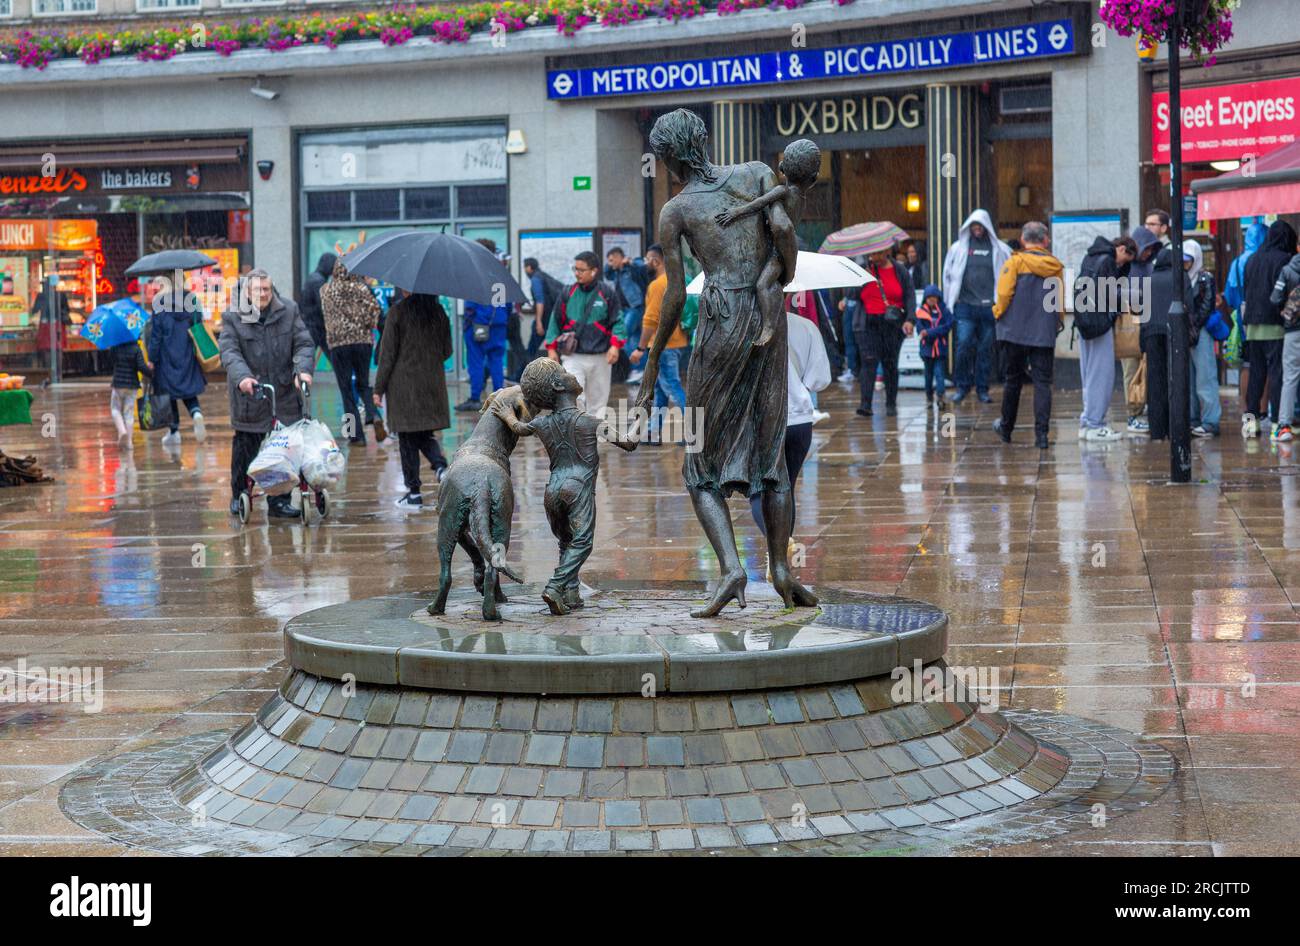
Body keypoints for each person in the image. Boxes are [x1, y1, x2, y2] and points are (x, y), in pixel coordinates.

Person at [635, 107, 815, 616]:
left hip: (717, 320)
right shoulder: (757, 172)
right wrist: (782, 272)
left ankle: (732, 569)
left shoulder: (676, 210)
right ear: (706, 140)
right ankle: (780, 570)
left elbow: (672, 297)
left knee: (698, 460)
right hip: (766, 317)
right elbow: (781, 225)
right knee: (772, 452)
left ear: (670, 157)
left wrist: (650, 369)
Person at [495, 358, 637, 614]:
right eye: (564, 372)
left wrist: (505, 414)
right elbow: (629, 443)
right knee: (582, 543)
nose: (570, 374)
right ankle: (555, 586)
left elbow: (518, 427)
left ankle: (571, 594)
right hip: (578, 488)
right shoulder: (589, 421)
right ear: (559, 386)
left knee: (566, 543)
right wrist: (641, 414)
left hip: (553, 491)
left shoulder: (542, 423)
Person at [218, 270, 315, 518]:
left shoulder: (289, 311)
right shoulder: (233, 316)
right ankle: (239, 493)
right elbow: (229, 351)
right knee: (245, 449)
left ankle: (279, 501)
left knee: (283, 449)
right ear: (246, 292)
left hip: (283, 393)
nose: (262, 294)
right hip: (251, 395)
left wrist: (302, 370)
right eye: (257, 290)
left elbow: (303, 343)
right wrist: (243, 378)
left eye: (266, 289)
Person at [712, 138, 821, 347]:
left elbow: (759, 204)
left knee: (763, 284)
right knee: (769, 284)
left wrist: (737, 212)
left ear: (781, 168)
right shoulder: (800, 196)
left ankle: (768, 326)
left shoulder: (784, 191)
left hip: (778, 252)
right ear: (814, 179)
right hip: (782, 250)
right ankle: (769, 324)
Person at [749, 309, 830, 536]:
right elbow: (819, 380)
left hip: (759, 421)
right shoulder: (806, 327)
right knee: (786, 490)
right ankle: (782, 553)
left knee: (758, 490)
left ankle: (779, 548)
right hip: (799, 420)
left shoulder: (740, 327)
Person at [374, 292, 454, 510]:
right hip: (432, 383)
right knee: (424, 432)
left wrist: (378, 389)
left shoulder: (397, 312)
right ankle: (440, 467)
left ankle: (414, 493)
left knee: (407, 437)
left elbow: (387, 354)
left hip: (403, 385)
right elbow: (448, 351)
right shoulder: (438, 312)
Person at [992, 221, 1064, 449]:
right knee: (1043, 383)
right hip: (1043, 333)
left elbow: (1003, 294)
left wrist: (997, 313)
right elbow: (1057, 302)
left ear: (1023, 240)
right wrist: (1056, 323)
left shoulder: (1014, 262)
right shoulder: (1055, 266)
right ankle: (1041, 436)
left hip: (1014, 332)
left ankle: (1006, 428)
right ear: (1045, 241)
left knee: (1013, 381)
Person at [942, 210, 1012, 404]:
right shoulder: (957, 248)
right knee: (963, 345)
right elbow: (947, 274)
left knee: (985, 350)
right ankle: (962, 386)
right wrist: (949, 301)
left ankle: (982, 388)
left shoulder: (1001, 249)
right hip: (965, 305)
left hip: (989, 306)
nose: (977, 229)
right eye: (974, 226)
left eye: (980, 226)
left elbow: (1009, 275)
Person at [543, 250, 623, 420]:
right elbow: (555, 321)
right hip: (573, 357)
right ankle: (577, 432)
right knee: (573, 397)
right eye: (575, 269)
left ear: (594, 271)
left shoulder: (607, 293)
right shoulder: (567, 293)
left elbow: (618, 321)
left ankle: (593, 437)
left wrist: (615, 346)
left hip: (601, 357)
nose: (576, 273)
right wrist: (551, 348)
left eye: (581, 270)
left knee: (598, 403)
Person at [1241, 220, 1299, 437]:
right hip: (1276, 324)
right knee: (1278, 374)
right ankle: (1277, 422)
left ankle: (1250, 424)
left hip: (1253, 325)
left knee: (1256, 374)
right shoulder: (1285, 260)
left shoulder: (1252, 260)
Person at [1075, 235, 1135, 441]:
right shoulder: (1107, 261)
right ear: (1120, 248)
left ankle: (1087, 421)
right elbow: (1110, 294)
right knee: (1102, 375)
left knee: (1089, 374)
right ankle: (1095, 424)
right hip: (1099, 322)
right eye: (1124, 259)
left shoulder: (1090, 257)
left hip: (1084, 322)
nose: (1121, 264)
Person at [320, 259, 384, 446]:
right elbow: (375, 315)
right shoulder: (362, 289)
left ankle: (355, 435)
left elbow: (323, 315)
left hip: (339, 345)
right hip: (362, 343)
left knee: (346, 389)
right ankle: (373, 414)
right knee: (364, 385)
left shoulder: (326, 290)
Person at [629, 244, 688, 442]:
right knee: (661, 391)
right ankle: (654, 433)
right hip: (676, 342)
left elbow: (650, 320)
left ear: (656, 261)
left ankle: (692, 431)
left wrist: (639, 348)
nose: (646, 263)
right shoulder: (677, 280)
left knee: (672, 386)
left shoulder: (657, 285)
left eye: (647, 260)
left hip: (662, 345)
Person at [855, 245, 915, 418]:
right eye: (872, 253)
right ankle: (865, 405)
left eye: (879, 253)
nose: (875, 256)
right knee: (868, 363)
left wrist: (910, 319)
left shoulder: (900, 270)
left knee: (890, 364)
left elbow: (910, 295)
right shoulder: (864, 269)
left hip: (892, 324)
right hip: (869, 324)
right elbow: (853, 294)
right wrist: (862, 278)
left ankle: (891, 403)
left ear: (886, 251)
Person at [147, 279, 207, 447]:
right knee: (188, 390)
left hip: (166, 355)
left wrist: (152, 358)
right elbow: (198, 323)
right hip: (187, 352)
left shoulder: (160, 304)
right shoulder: (191, 299)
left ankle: (174, 432)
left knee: (169, 393)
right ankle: (196, 413)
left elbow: (156, 335)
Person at [1143, 242, 1192, 442]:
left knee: (1155, 382)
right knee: (1176, 380)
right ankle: (1176, 428)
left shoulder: (1149, 279)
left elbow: (1142, 312)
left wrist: (1142, 340)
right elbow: (1189, 304)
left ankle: (1157, 430)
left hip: (1151, 333)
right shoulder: (1181, 278)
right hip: (1175, 334)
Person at [1225, 220, 1269, 420]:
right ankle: (1262, 407)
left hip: (1243, 316)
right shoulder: (1266, 259)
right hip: (1266, 316)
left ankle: (1245, 407)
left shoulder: (1237, 263)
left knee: (1247, 363)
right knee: (1266, 363)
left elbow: (1230, 295)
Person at [1122, 226, 1163, 434]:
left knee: (1144, 370)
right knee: (1131, 371)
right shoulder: (1127, 267)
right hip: (1131, 327)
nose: (1148, 253)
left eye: (1151, 250)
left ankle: (1140, 407)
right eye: (1146, 249)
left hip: (1147, 325)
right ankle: (1133, 413)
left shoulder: (1148, 268)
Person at [1185, 242, 1221, 438]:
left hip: (1201, 331)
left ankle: (1210, 421)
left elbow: (1207, 304)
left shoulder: (1205, 278)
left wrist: (1193, 325)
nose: (1185, 263)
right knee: (1189, 378)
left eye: (1189, 259)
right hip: (1188, 332)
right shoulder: (1181, 278)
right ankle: (1193, 418)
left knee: (1205, 378)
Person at [1269, 236, 1300, 443]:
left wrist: (1284, 310)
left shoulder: (1288, 270)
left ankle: (1284, 426)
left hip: (1294, 330)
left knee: (1290, 377)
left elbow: (1275, 298)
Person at [604, 247, 650, 382]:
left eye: (613, 260)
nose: (611, 263)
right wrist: (611, 264)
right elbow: (607, 273)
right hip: (624, 309)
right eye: (609, 261)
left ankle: (639, 369)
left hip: (634, 307)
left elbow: (642, 267)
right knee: (635, 340)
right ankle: (642, 371)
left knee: (622, 337)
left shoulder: (630, 268)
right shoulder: (616, 272)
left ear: (620, 257)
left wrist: (629, 262)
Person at [914, 284, 953, 409]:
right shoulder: (920, 312)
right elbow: (920, 331)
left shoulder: (944, 311)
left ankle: (940, 397)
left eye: (934, 297)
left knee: (939, 374)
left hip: (940, 349)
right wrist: (934, 332)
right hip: (927, 350)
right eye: (929, 297)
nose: (932, 300)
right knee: (928, 375)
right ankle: (929, 397)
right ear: (925, 298)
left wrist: (930, 332)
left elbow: (948, 326)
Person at [108, 339, 151, 450]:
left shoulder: (115, 346)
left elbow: (110, 360)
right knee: (129, 413)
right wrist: (151, 373)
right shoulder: (136, 348)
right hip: (132, 385)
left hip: (118, 384)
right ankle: (129, 443)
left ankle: (122, 431)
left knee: (115, 409)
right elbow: (141, 367)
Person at [524, 257, 563, 364]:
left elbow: (540, 301)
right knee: (555, 347)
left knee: (532, 349)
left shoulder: (536, 279)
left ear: (529, 267)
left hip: (544, 318)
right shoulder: (544, 276)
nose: (525, 270)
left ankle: (522, 375)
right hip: (553, 317)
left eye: (525, 267)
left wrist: (538, 322)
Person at [298, 252, 335, 363]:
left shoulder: (313, 278)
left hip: (311, 325)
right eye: (333, 266)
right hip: (316, 326)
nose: (334, 270)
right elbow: (323, 305)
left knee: (307, 358)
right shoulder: (318, 281)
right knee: (334, 359)